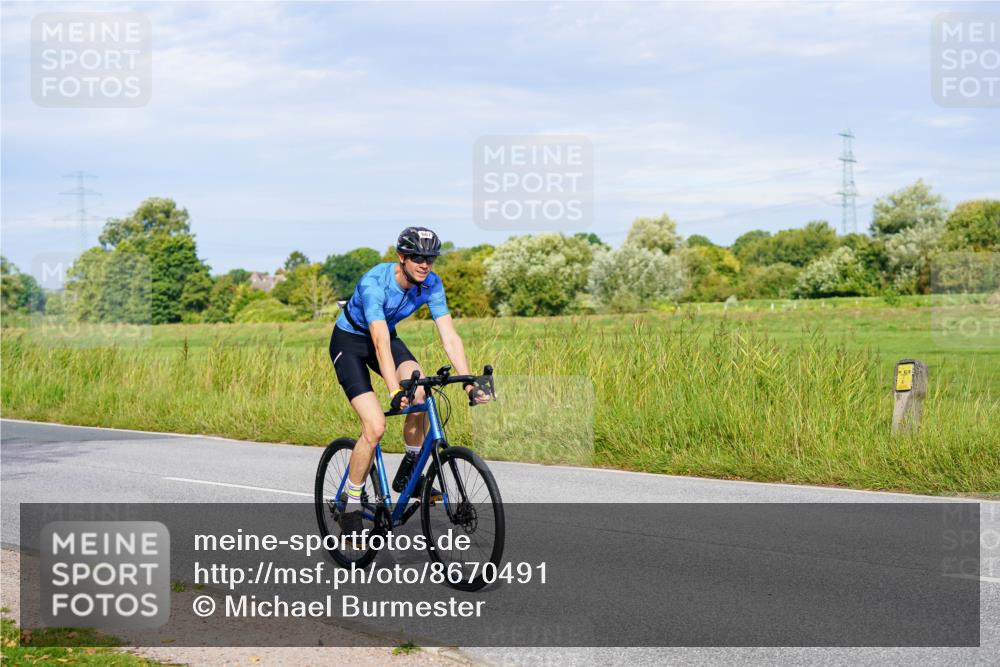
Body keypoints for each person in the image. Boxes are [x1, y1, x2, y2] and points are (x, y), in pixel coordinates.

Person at [328, 226, 489, 544]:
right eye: (417, 257)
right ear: (401, 257)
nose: (425, 264)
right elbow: (379, 342)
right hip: (351, 342)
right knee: (375, 427)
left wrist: (469, 382)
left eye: (430, 258)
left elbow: (449, 336)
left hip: (387, 337)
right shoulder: (375, 283)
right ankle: (352, 503)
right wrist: (393, 390)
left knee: (421, 391)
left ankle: (409, 472)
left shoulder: (432, 284)